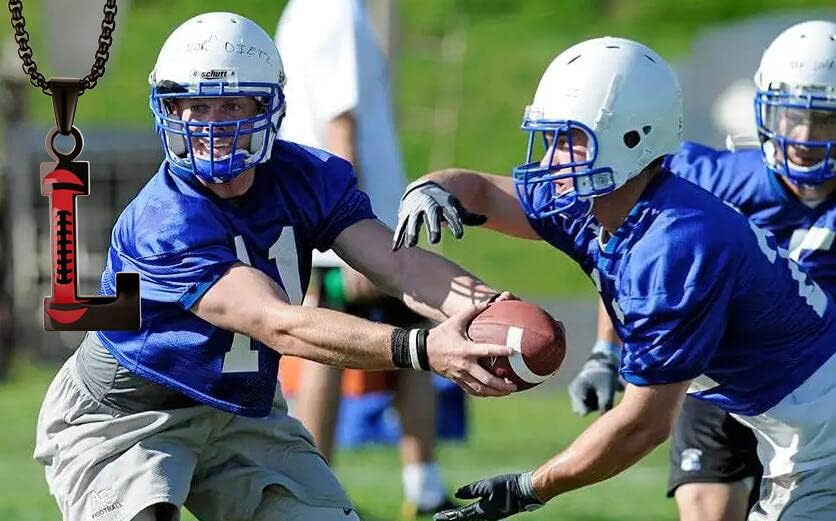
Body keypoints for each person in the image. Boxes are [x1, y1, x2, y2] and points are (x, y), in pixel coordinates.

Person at [32, 12, 518, 521]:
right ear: (171, 109)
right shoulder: (162, 221)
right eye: (196, 106)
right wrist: (421, 347)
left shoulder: (307, 176)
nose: (213, 123)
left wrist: (488, 312)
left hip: (244, 412)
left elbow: (399, 266)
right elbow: (280, 325)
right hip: (128, 411)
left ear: (268, 107)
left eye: (232, 104)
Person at [392, 36, 836, 521]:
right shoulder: (602, 199)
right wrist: (432, 187)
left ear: (632, 136)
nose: (552, 157)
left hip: (816, 431)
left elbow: (642, 425)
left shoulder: (674, 247)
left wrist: (530, 487)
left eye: (569, 138)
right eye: (552, 138)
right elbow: (481, 190)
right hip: (784, 416)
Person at [567, 21, 836, 521]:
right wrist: (607, 350)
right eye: (793, 116)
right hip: (720, 365)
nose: (804, 137)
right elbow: (636, 257)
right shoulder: (711, 179)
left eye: (825, 121)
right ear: (765, 111)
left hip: (814, 384)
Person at [275, 1, 456, 516]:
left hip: (355, 217)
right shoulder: (336, 13)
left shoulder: (302, 12)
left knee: (413, 340)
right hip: (359, 224)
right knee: (327, 346)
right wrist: (348, 235)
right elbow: (342, 124)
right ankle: (317, 488)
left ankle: (419, 487)